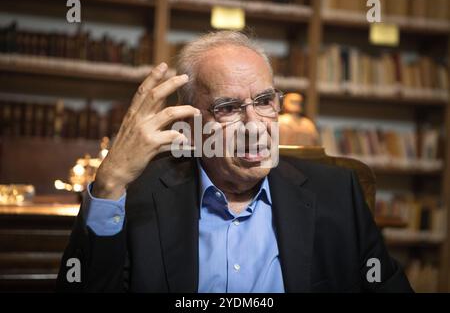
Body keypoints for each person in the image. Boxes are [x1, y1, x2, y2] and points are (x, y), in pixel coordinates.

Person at [56, 31, 413, 293]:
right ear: (191, 127)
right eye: (227, 108)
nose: (254, 125)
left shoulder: (337, 193)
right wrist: (108, 185)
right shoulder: (137, 196)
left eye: (264, 101)